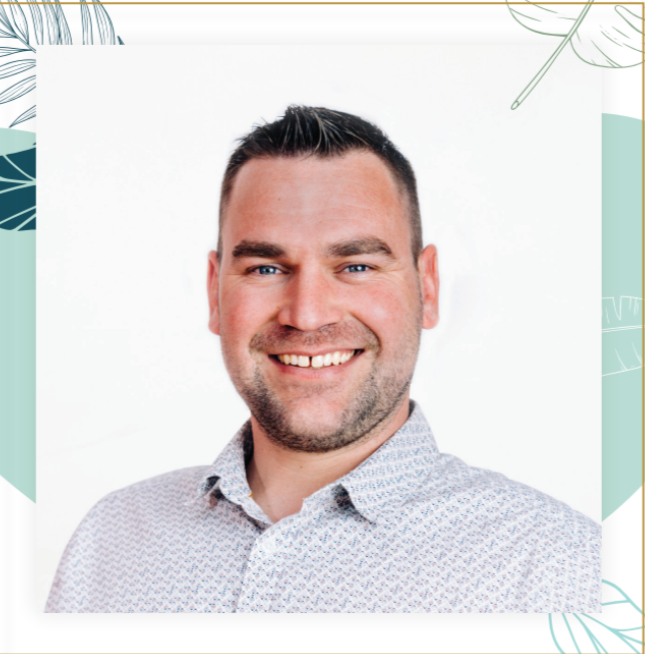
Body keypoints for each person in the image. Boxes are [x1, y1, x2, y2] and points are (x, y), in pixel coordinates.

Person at [46, 105, 601, 613]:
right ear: (215, 291)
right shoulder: (110, 540)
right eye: (266, 268)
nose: (307, 316)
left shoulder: (560, 571)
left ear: (427, 287)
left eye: (357, 266)